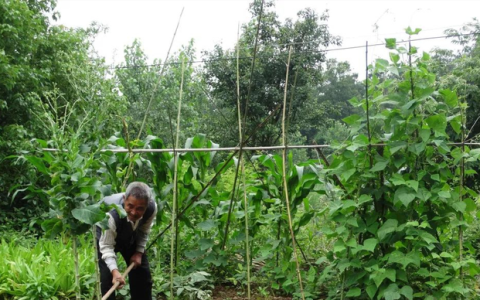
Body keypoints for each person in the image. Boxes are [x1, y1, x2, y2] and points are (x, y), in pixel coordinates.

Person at [96, 182, 157, 300]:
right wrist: (115, 271)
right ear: (124, 199)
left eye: (140, 209)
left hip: (131, 234)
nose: (134, 212)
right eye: (130, 206)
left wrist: (138, 252)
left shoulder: (151, 208)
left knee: (142, 276)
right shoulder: (110, 215)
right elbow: (107, 246)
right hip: (106, 235)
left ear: (147, 205)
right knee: (107, 279)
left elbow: (144, 231)